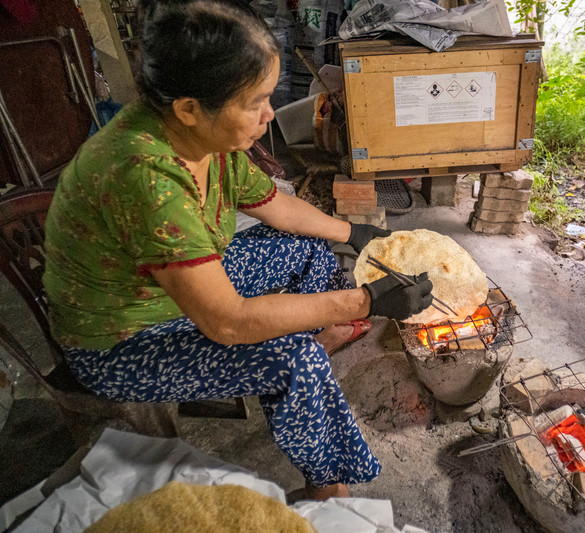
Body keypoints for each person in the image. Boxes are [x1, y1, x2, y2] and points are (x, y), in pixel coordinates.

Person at [42, 0, 433, 501]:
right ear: (189, 107)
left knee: (310, 245)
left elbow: (276, 207)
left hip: (172, 291)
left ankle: (318, 335)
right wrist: (365, 302)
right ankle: (327, 487)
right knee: (293, 360)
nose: (270, 115)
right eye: (256, 102)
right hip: (123, 339)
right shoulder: (145, 176)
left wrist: (353, 233)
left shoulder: (201, 138)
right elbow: (227, 322)